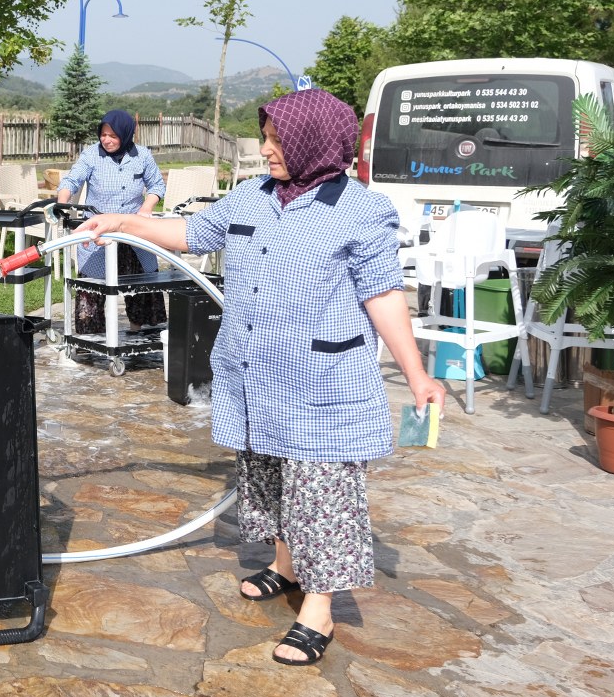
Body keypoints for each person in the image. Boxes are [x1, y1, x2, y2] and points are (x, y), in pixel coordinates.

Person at [72, 88, 445, 666]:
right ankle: (285, 564)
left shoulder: (362, 212)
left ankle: (319, 607)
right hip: (256, 372)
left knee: (322, 491)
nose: (266, 150)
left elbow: (383, 295)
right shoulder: (250, 196)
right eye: (266, 138)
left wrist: (416, 373)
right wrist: (122, 221)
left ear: (311, 141)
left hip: (323, 379)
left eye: (276, 140)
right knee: (267, 472)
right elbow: (189, 235)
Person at [57, 109, 168, 331]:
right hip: (100, 231)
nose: (106, 140)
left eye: (113, 136)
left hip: (133, 229)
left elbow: (157, 185)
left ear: (126, 135)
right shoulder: (91, 155)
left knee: (141, 282)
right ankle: (89, 340)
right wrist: (62, 203)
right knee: (93, 287)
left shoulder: (142, 156)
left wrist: (147, 207)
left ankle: (142, 332)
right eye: (103, 134)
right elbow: (72, 180)